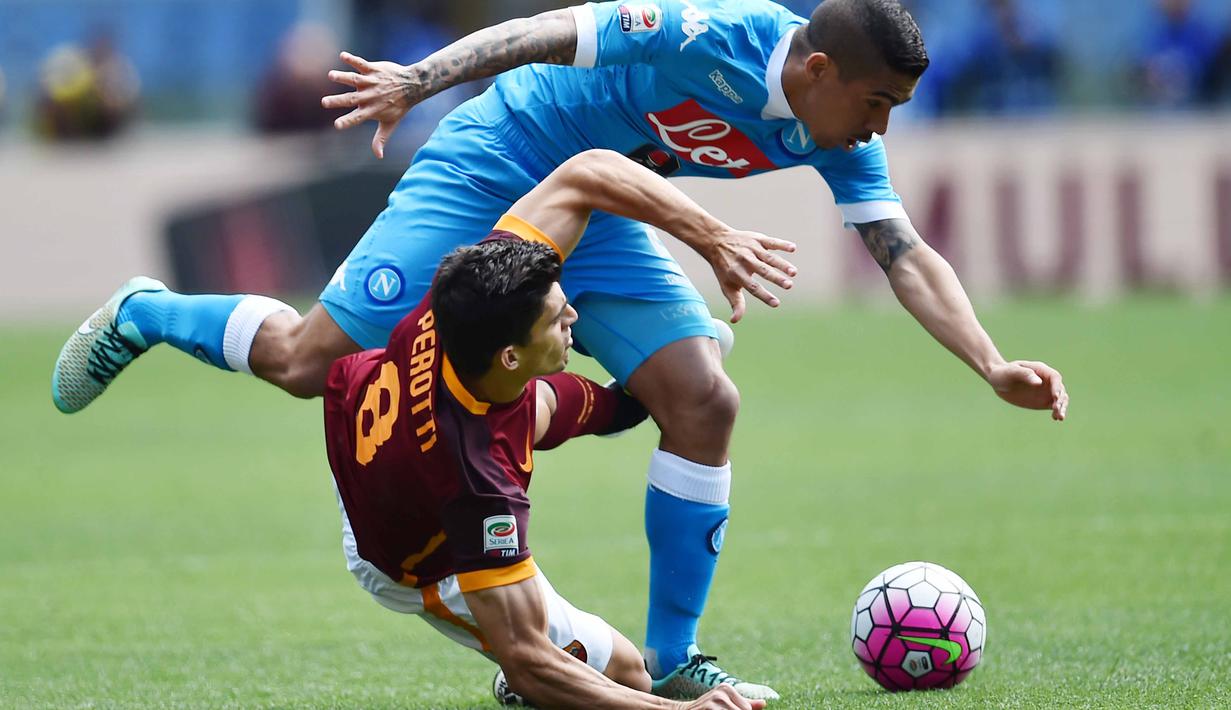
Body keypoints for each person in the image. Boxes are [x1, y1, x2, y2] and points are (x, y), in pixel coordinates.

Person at [54, 0, 1068, 698]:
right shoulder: (709, 30)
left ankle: (672, 659)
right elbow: (551, 29)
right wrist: (421, 77)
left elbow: (902, 249)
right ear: (814, 69)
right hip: (499, 159)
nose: (879, 127)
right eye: (876, 103)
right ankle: (149, 312)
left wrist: (988, 360)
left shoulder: (837, 131)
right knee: (309, 363)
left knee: (702, 399)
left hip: (605, 201)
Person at [324, 148, 765, 709]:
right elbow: (529, 661)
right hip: (414, 559)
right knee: (623, 674)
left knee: (548, 408)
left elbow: (584, 173)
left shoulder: (476, 287)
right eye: (558, 320)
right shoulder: (478, 486)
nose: (574, 319)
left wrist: (709, 240)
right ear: (510, 355)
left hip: (376, 428)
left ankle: (626, 403)